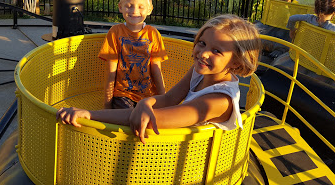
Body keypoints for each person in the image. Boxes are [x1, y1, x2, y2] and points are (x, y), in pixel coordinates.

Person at [57, 14, 262, 143]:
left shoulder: (217, 101)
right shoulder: (200, 71)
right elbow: (169, 99)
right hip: (174, 142)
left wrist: (89, 115)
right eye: (202, 43)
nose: (203, 53)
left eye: (216, 50)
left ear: (236, 62)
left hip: (187, 162)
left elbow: (149, 119)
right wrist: (146, 102)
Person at [98, 0, 167, 109]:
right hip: (123, 94)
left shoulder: (153, 34)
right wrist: (107, 105)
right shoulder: (115, 33)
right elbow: (111, 71)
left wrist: (164, 99)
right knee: (130, 117)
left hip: (149, 96)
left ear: (150, 9)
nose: (134, 11)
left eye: (141, 7)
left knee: (151, 119)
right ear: (120, 7)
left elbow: (156, 69)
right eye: (129, 6)